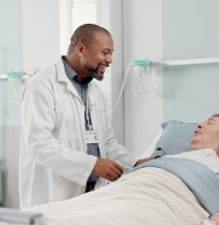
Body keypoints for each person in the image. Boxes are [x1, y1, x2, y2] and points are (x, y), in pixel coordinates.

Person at [19, 23, 150, 208]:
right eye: (105, 52)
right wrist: (91, 165)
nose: (110, 60)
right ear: (81, 49)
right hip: (53, 195)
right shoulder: (41, 86)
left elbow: (107, 143)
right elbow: (39, 145)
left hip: (90, 194)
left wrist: (135, 162)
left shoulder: (95, 92)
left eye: (111, 53)